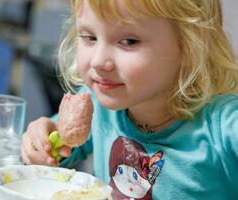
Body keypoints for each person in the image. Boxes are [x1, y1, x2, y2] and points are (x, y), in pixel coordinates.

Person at [21, 0, 238, 199]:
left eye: (128, 41)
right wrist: (43, 145)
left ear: (191, 46)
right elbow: (56, 155)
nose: (98, 61)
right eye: (90, 37)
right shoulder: (98, 106)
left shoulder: (223, 126)